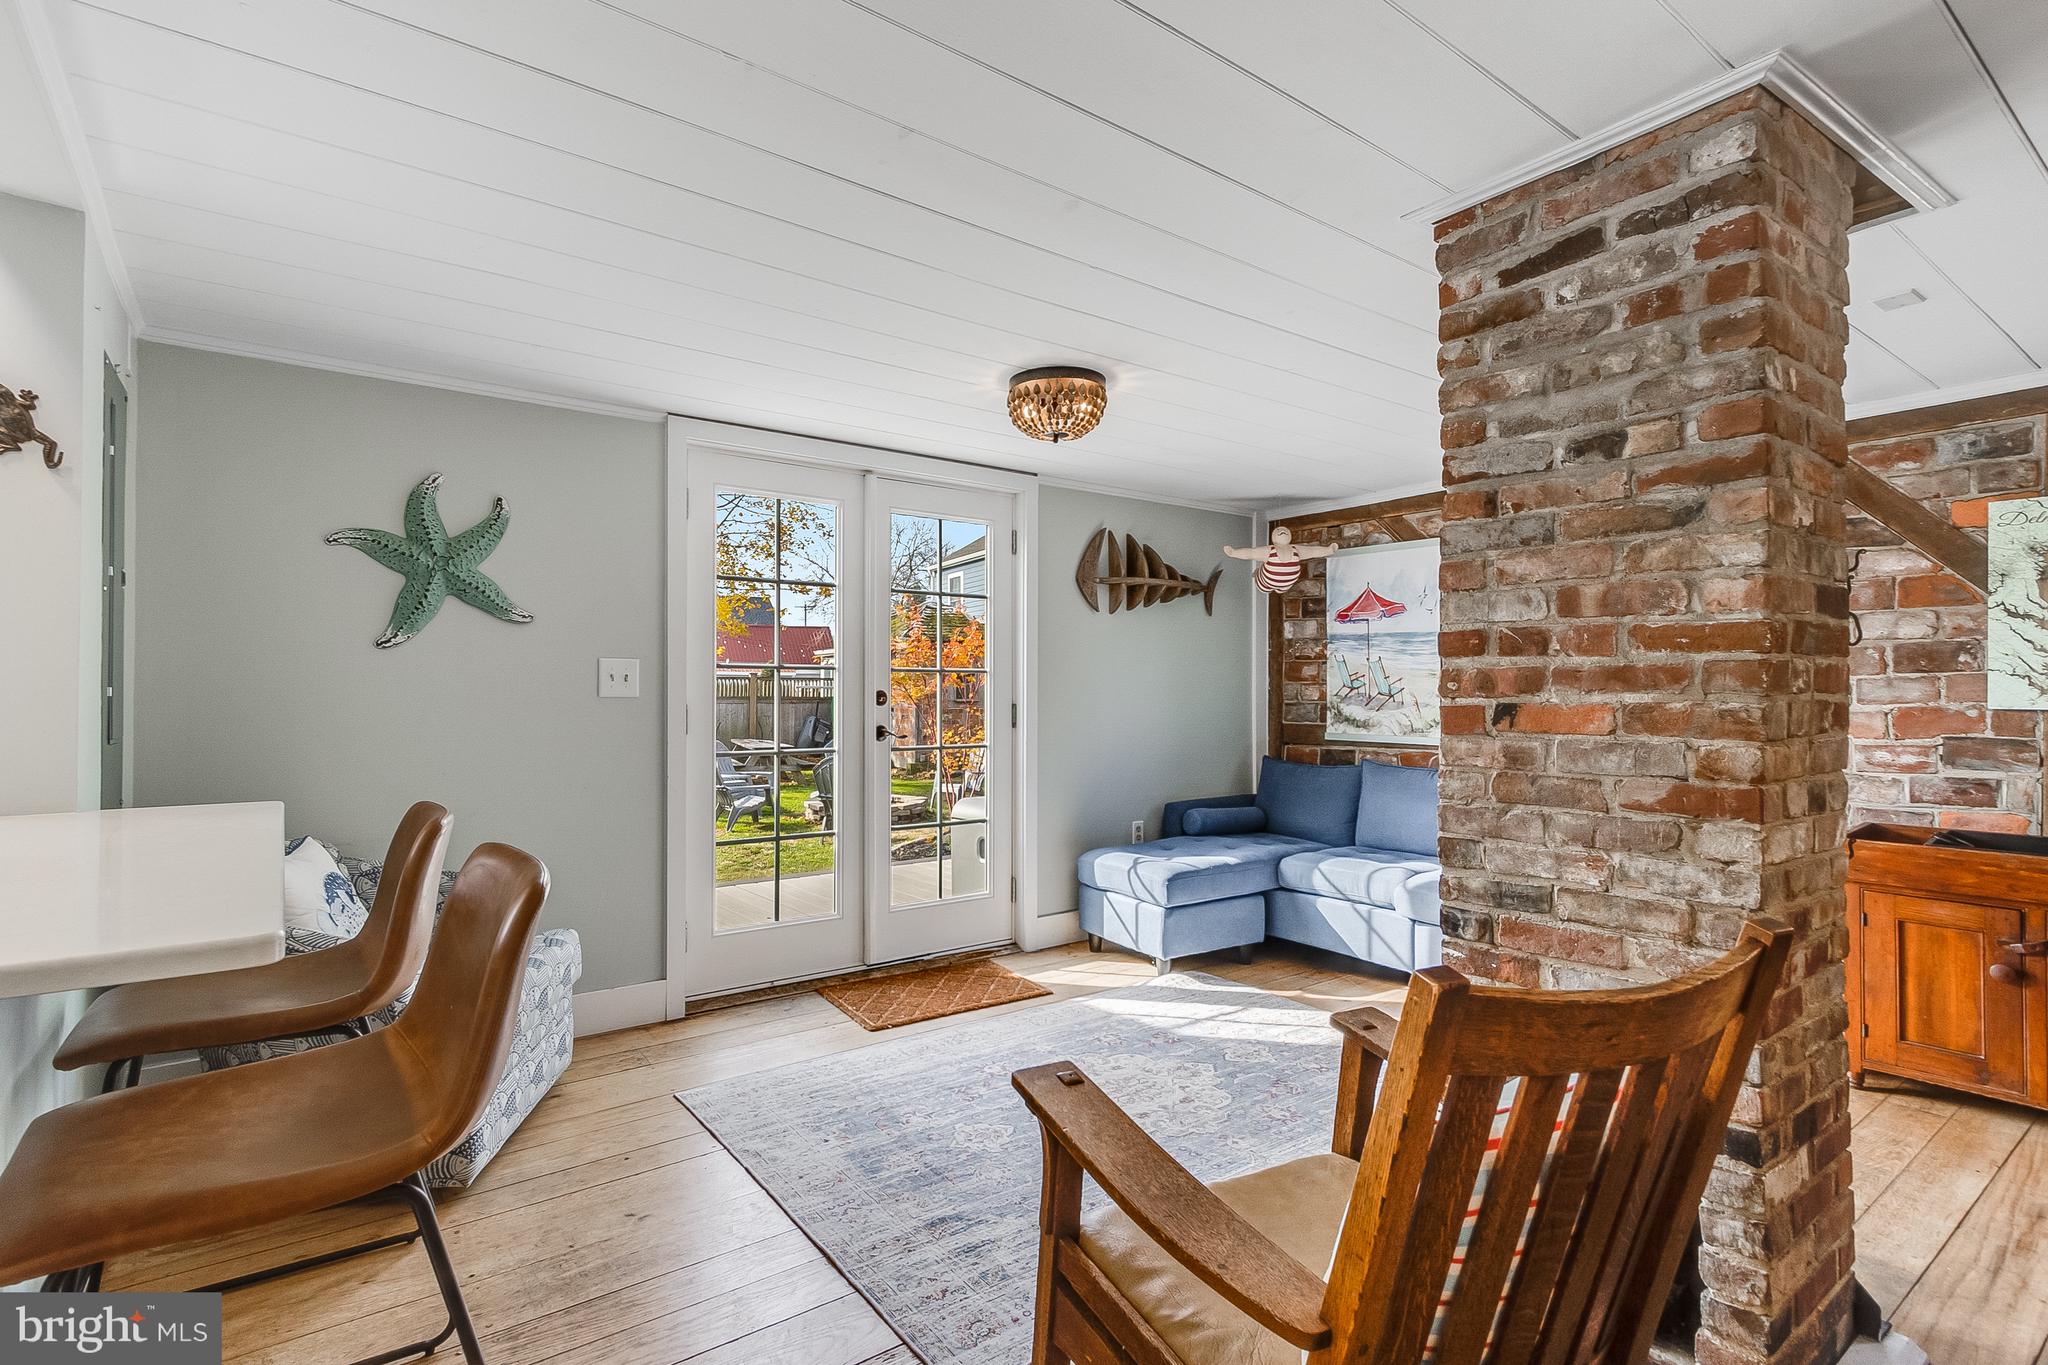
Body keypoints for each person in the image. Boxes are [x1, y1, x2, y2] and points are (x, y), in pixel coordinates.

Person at [1223, 526, 1335, 594]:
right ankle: (1256, 574)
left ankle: (1275, 586)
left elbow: (1313, 552)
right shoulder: (1270, 550)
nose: (1282, 531)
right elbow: (1251, 553)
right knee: (1264, 587)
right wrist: (1234, 553)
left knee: (1281, 589)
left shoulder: (1296, 549)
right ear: (1273, 537)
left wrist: (1329, 550)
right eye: (1279, 530)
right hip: (1266, 580)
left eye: (1284, 530)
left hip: (1288, 583)